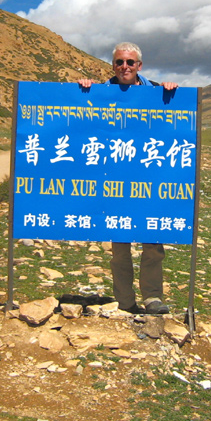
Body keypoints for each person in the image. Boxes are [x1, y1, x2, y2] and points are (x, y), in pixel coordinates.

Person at [79, 42, 178, 315]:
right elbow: (84, 124)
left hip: (149, 181)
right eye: (120, 62)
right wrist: (82, 91)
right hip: (115, 183)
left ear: (139, 66)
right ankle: (125, 302)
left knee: (153, 244)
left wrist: (171, 93)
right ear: (113, 65)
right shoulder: (100, 93)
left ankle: (153, 298)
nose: (125, 67)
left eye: (130, 62)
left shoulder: (158, 93)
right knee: (120, 249)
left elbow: (173, 125)